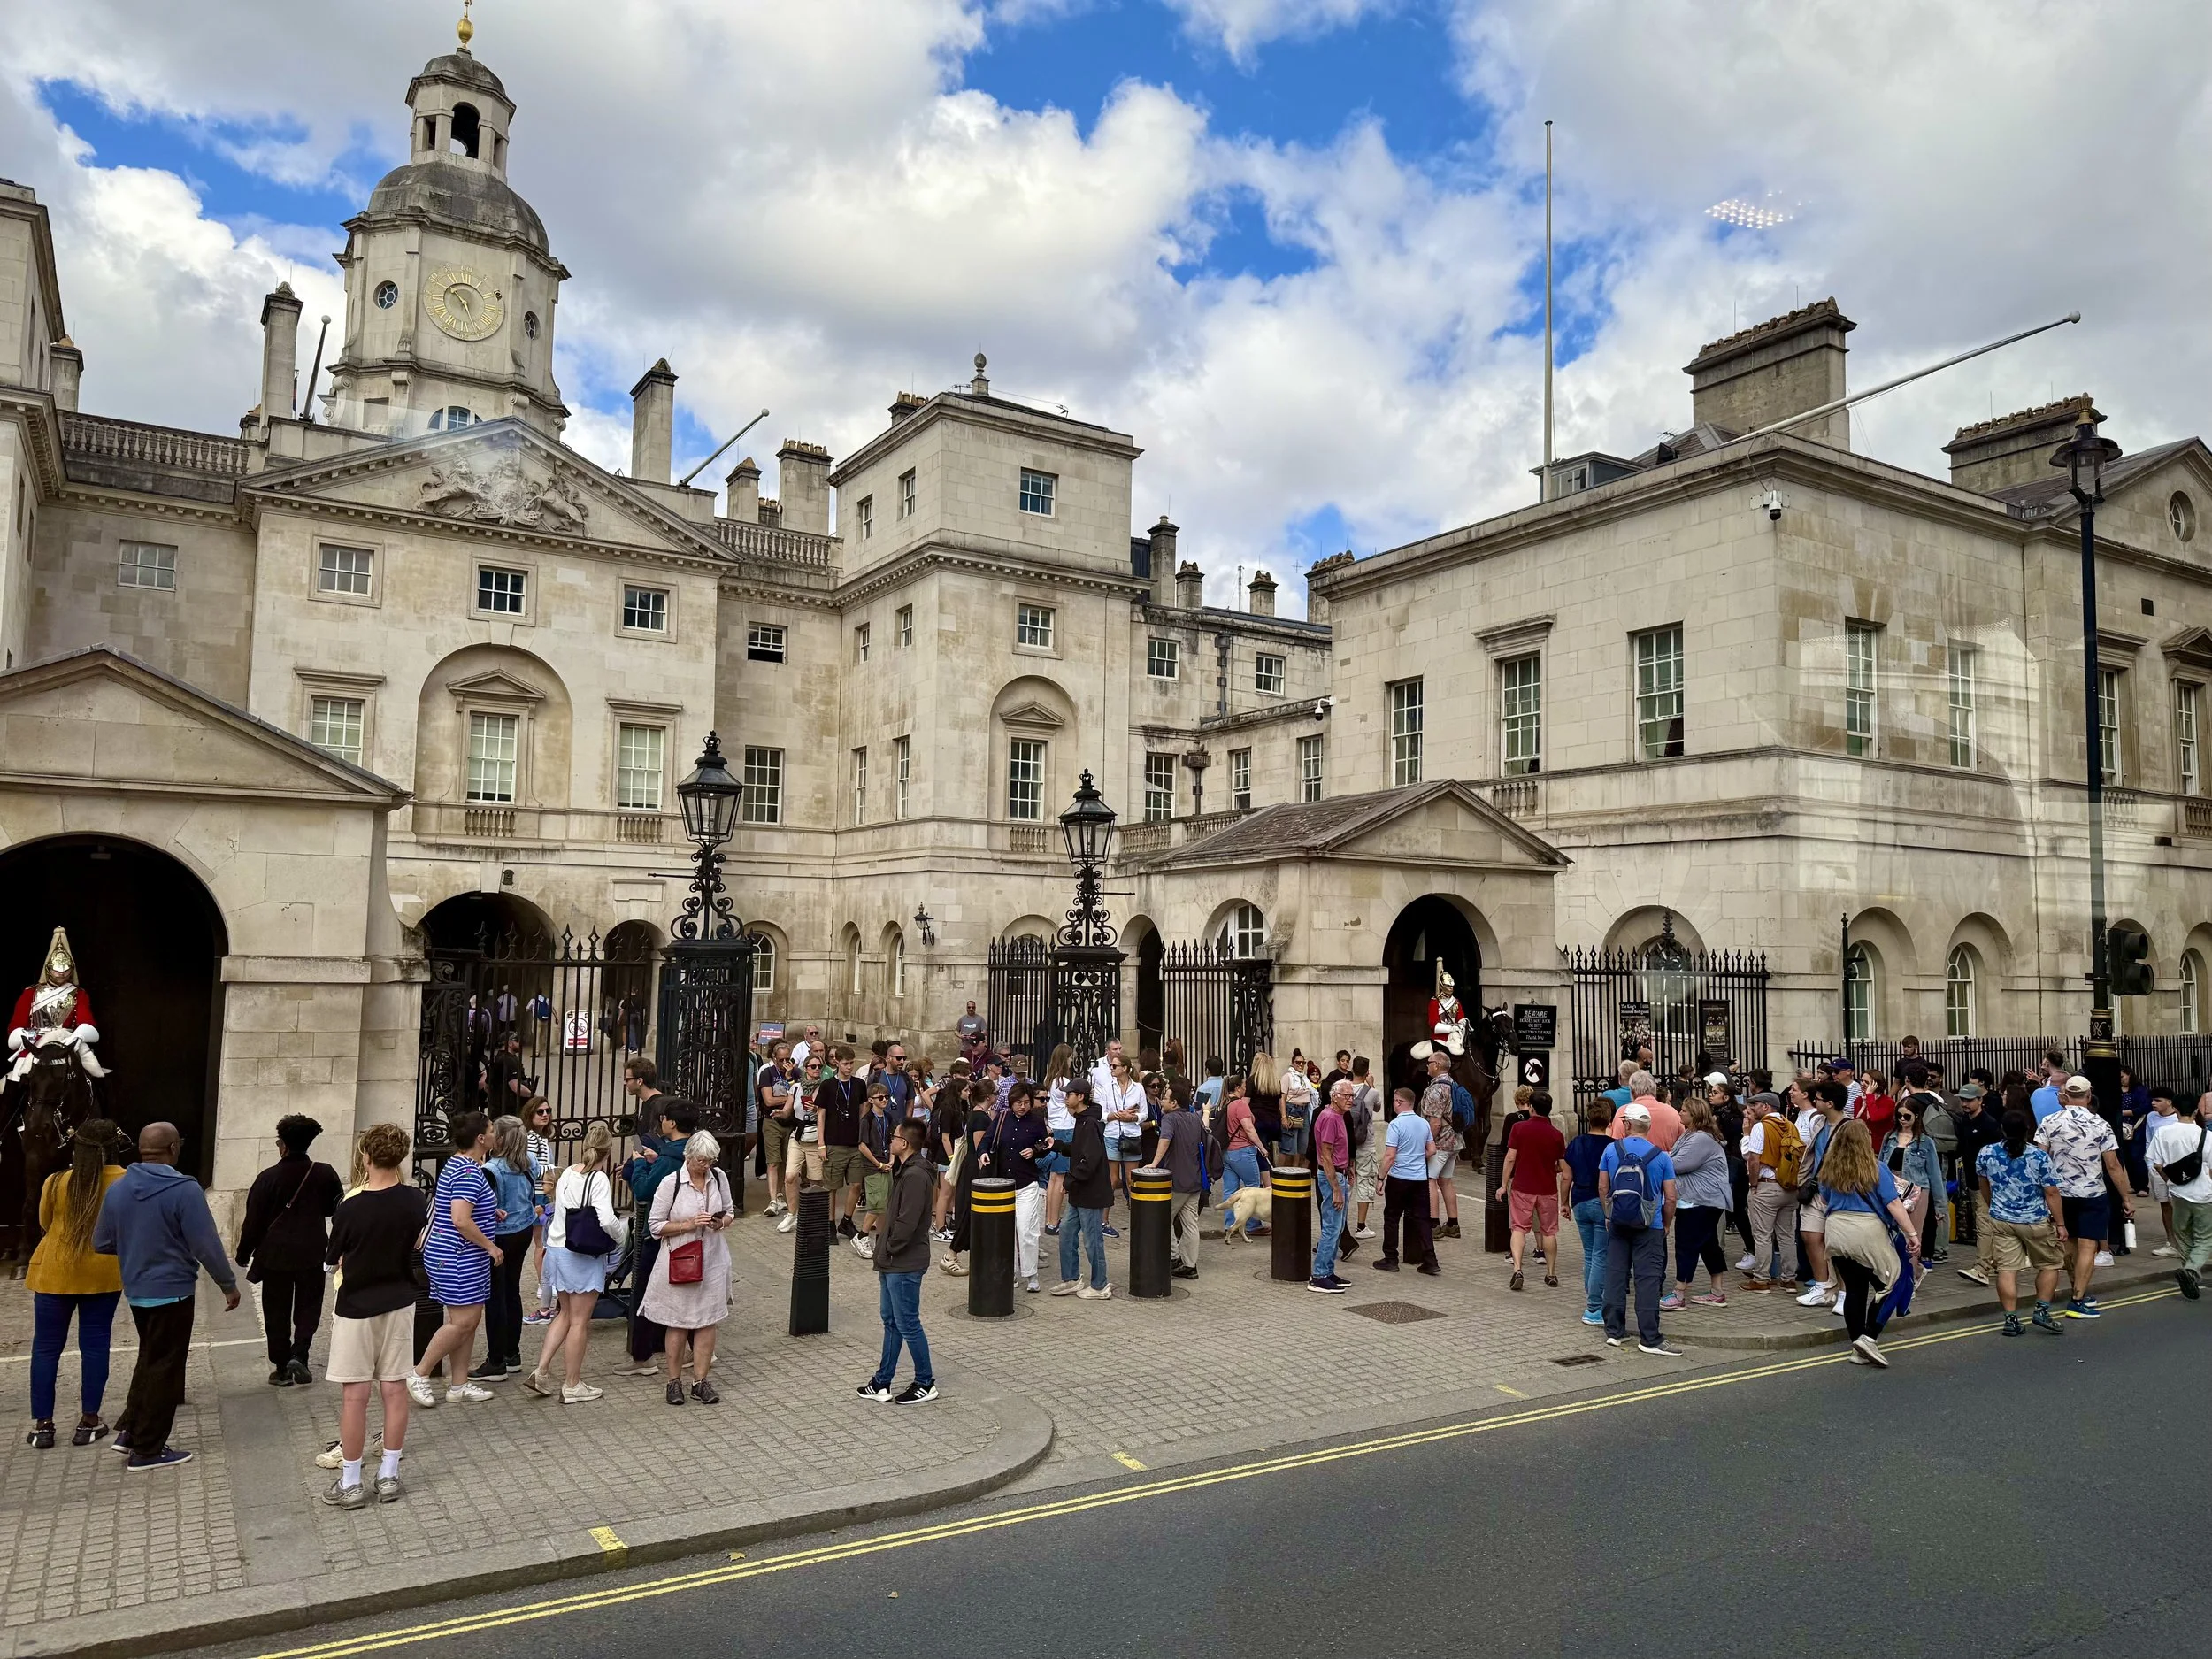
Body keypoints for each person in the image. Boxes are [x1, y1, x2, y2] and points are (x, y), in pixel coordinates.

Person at [93, 1122, 241, 1470]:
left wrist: (136, 1248)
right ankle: (148, 1449)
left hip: (138, 1291)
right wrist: (228, 1284)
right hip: (173, 1291)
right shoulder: (184, 1190)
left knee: (150, 1357)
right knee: (165, 1368)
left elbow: (101, 1242)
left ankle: (131, 1430)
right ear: (174, 1148)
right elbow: (205, 1244)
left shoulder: (118, 1189)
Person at [321, 1122, 427, 1508]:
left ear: (366, 1157)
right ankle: (389, 1474)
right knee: (395, 1388)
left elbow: (333, 1259)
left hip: (357, 1305)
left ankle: (351, 1480)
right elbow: (418, 1243)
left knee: (355, 1395)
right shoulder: (416, 1200)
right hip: (399, 1300)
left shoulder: (350, 1206)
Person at [24, 1118, 126, 1449]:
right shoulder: (125, 1181)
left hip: (53, 1272)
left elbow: (43, 1222)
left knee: (45, 1349)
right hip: (103, 1273)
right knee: (95, 1346)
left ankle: (43, 1426)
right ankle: (89, 1422)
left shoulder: (55, 1182)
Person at [234, 1113, 342, 1386]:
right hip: (313, 1250)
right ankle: (300, 1354)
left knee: (276, 1310)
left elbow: (254, 1221)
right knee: (309, 1305)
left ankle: (281, 1367)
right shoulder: (325, 1172)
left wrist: (243, 1253)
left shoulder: (267, 1178)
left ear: (281, 1144)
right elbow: (335, 1209)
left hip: (275, 1255)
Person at [408, 1112, 503, 1408]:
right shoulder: (468, 1172)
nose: (495, 1134)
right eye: (491, 1130)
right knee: (464, 1322)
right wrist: (490, 1246)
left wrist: (490, 1214)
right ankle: (419, 1373)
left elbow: (463, 1209)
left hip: (458, 1255)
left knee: (466, 1321)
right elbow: (460, 1219)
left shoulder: (461, 1165)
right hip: (458, 1256)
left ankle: (459, 1383)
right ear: (480, 1139)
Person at [529, 1121, 627, 1402]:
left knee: (565, 1314)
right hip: (581, 1255)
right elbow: (607, 1219)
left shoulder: (568, 1174)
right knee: (580, 1322)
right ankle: (572, 1384)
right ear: (607, 1153)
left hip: (557, 1250)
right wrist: (622, 1236)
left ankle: (542, 1370)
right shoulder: (598, 1180)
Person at [641, 1131, 734, 1405]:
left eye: (711, 1161)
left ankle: (700, 1381)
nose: (706, 1166)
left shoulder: (718, 1178)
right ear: (689, 1157)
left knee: (708, 1321)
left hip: (712, 1259)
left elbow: (730, 1211)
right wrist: (689, 1224)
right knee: (679, 1323)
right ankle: (673, 1382)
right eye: (702, 1161)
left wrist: (719, 1222)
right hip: (680, 1260)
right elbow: (655, 1225)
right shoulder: (671, 1183)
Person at [1819, 1118, 1918, 1367]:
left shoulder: (1828, 1170)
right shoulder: (1876, 1168)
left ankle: (1858, 1345)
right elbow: (1893, 1204)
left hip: (1836, 1229)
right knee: (1894, 1282)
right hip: (1866, 1229)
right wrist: (1912, 1234)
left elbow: (1823, 1200)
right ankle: (1869, 1337)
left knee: (1854, 1289)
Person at [2035, 1076, 2131, 1319]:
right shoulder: (2101, 1124)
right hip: (2091, 1193)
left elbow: (2040, 1160)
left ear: (2065, 1096)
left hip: (2060, 1194)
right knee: (2088, 1245)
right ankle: (2078, 1299)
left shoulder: (2049, 1121)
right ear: (2089, 1096)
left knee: (2067, 1243)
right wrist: (2126, 1197)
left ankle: (2076, 1291)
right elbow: (2112, 1165)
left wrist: (2041, 1192)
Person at [859, 1122, 939, 1403]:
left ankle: (925, 1381)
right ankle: (882, 1381)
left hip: (904, 1262)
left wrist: (890, 1247)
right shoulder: (905, 1169)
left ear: (904, 1143)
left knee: (907, 1323)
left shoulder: (916, 1175)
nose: (889, 1140)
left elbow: (907, 1220)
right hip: (892, 1260)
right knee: (891, 1321)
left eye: (894, 1136)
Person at [1978, 1109, 2069, 1336]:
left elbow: (1984, 1185)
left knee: (2007, 1270)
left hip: (2001, 1220)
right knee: (2050, 1263)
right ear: (2028, 1131)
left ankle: (2011, 1319)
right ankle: (2041, 1310)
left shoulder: (1987, 1152)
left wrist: (1994, 1206)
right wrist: (2060, 1224)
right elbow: (2052, 1192)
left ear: (2002, 1129)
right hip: (2034, 1220)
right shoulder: (2038, 1157)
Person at [1596, 1104, 1678, 1356]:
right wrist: (1666, 1223)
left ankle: (1614, 1331)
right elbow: (1671, 1197)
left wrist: (1609, 1214)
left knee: (1615, 1275)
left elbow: (1602, 1187)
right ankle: (1650, 1338)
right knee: (1648, 1280)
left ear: (1628, 1125)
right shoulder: (1662, 1156)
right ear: (1648, 1126)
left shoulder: (1611, 1150)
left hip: (1619, 1221)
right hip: (1649, 1224)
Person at [1660, 1096, 1732, 1310]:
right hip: (1702, 1200)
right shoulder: (1693, 1135)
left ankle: (1679, 1294)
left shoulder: (1701, 1138)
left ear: (1695, 1115)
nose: (1679, 1112)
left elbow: (1678, 1163)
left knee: (1686, 1244)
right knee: (1709, 1245)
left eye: (1683, 1110)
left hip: (1699, 1200)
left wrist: (1655, 1157)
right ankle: (1717, 1292)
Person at [1501, 1087, 1566, 1293]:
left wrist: (1503, 1185)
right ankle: (1551, 1273)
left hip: (1523, 1186)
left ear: (1531, 1107)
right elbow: (1561, 1166)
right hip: (1547, 1188)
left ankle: (1518, 1268)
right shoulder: (1556, 1135)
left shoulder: (1519, 1129)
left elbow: (1510, 1157)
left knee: (1519, 1228)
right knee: (1548, 1231)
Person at [988, 1080, 1051, 1293]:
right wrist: (983, 1154)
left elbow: (1045, 1145)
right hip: (1003, 1185)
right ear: (1011, 1103)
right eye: (1018, 1103)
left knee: (1026, 1230)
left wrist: (1034, 1150)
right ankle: (1011, 1272)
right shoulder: (1001, 1118)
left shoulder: (1036, 1120)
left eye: (1026, 1102)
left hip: (1027, 1183)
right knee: (1006, 1232)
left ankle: (1031, 1274)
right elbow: (986, 1142)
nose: (1022, 1106)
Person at [1052, 1081, 1112, 1299]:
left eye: (1068, 1095)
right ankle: (1071, 1279)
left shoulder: (1089, 1124)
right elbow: (1080, 1151)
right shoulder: (1083, 1121)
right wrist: (1057, 1145)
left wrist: (1069, 1180)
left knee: (1092, 1240)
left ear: (1080, 1097)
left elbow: (1091, 1159)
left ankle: (1100, 1285)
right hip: (1080, 1192)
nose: (1065, 1098)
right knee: (1067, 1233)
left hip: (1091, 1192)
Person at [1795, 1082, 1852, 1309]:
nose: (1814, 1101)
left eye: (1818, 1099)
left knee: (1838, 1246)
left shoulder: (1851, 1127)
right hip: (1816, 1189)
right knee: (1809, 1236)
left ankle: (1845, 1294)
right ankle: (1822, 1286)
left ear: (1830, 1103)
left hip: (1839, 1193)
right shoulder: (1817, 1121)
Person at [2150, 1092, 2212, 1297]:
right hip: (2204, 1194)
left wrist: (2169, 1180)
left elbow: (2156, 1164)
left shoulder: (2163, 1133)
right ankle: (2192, 1269)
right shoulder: (2206, 1135)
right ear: (2196, 1111)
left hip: (2178, 1193)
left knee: (2183, 1236)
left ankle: (2189, 1275)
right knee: (2205, 1238)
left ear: (2175, 1108)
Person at [1738, 1093, 1801, 1291]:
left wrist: (1754, 1184)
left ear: (1766, 1107)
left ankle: (1761, 1278)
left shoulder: (1761, 1127)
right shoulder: (1790, 1124)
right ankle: (1789, 1279)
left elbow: (1754, 1159)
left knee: (1763, 1234)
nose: (1752, 1109)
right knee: (1787, 1235)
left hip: (1766, 1185)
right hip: (1789, 1186)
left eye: (1755, 1105)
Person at [1374, 1087, 1439, 1275]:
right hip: (1419, 1179)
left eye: (1395, 1100)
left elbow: (1389, 1156)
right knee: (1422, 1219)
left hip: (1399, 1178)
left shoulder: (1396, 1125)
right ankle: (1430, 1259)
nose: (1393, 1103)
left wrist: (1380, 1178)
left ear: (1400, 1103)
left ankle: (1391, 1258)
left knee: (1392, 1217)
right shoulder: (1423, 1123)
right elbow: (1432, 1150)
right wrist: (1418, 1157)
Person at [1147, 1077, 1205, 1282]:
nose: (1162, 1100)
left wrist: (1154, 1163)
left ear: (1175, 1103)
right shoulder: (1194, 1118)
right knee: (1191, 1224)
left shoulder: (1169, 1119)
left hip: (1177, 1180)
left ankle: (1172, 1258)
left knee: (1163, 1218)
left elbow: (1165, 1140)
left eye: (1166, 1098)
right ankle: (1190, 1266)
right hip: (1195, 1179)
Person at [1563, 1100, 1614, 1327]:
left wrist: (1563, 1202)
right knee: (1600, 1255)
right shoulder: (1613, 1146)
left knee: (1589, 1254)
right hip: (1601, 1201)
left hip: (1580, 1200)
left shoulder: (1576, 1143)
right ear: (1609, 1120)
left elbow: (1566, 1176)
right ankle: (1594, 1307)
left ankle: (1591, 1298)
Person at [1878, 1101, 1944, 1271]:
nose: (1902, 1120)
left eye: (1907, 1116)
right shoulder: (1889, 1137)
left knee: (1913, 1233)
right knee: (1889, 1232)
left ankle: (1911, 1276)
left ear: (1916, 1116)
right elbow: (1880, 1165)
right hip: (1892, 1187)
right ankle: (1895, 1274)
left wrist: (1940, 1206)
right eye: (1899, 1115)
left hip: (1917, 1190)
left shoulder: (1926, 1142)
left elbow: (1935, 1174)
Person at [1952, 1082, 2007, 1285]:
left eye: (1969, 1100)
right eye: (1962, 1100)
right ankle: (1994, 1262)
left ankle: (1982, 1267)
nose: (1965, 1104)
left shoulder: (1990, 1124)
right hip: (1974, 1181)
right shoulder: (1964, 1122)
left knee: (1983, 1224)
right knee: (1986, 1223)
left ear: (1980, 1100)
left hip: (1988, 1183)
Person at [1307, 1079, 1353, 1294]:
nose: (1350, 1100)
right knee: (1332, 1227)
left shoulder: (1338, 1116)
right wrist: (1336, 1188)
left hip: (1340, 1174)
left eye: (1352, 1096)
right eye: (1346, 1096)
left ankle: (1327, 1269)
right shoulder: (1329, 1118)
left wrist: (1348, 1168)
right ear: (1334, 1096)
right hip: (1331, 1177)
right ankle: (1319, 1275)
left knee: (1338, 1226)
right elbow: (1325, 1156)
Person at [776, 1052, 826, 1235]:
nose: (816, 1070)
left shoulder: (825, 1088)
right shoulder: (796, 1088)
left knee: (815, 1181)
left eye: (819, 1067)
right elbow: (788, 1110)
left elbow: (827, 1113)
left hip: (815, 1137)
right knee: (790, 1176)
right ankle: (792, 1214)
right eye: (813, 1066)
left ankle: (814, 1217)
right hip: (798, 1136)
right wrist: (779, 1113)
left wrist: (817, 1108)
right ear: (805, 1069)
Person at [1217, 1073, 1270, 1240]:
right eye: (1244, 1086)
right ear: (1238, 1088)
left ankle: (1230, 1224)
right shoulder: (1240, 1104)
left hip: (1227, 1152)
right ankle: (1253, 1224)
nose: (1246, 1088)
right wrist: (1261, 1147)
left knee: (1230, 1189)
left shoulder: (1224, 1103)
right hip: (1243, 1151)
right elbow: (1248, 1128)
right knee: (1253, 1188)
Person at [1418, 1050, 1464, 1239]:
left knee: (1430, 1180)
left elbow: (1435, 1122)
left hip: (1440, 1142)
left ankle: (1433, 1224)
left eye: (1429, 1062)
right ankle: (1453, 1224)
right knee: (1446, 1181)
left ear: (1436, 1065)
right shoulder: (1454, 1084)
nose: (1427, 1066)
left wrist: (1426, 1143)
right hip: (1455, 1140)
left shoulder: (1436, 1089)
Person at [1100, 1049, 1148, 1217]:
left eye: (1115, 1066)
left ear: (1125, 1068)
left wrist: (1133, 1117)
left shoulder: (1138, 1088)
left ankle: (1137, 1217)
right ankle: (1104, 1219)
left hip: (1131, 1135)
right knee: (1112, 1180)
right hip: (1112, 1135)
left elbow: (1145, 1113)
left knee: (1131, 1179)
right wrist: (1116, 1116)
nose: (1112, 1068)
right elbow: (1101, 1113)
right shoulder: (1107, 1087)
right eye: (1111, 1065)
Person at [2141, 1087, 2186, 1258]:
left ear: (2170, 1103)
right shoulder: (2151, 1117)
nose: (2154, 1103)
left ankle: (2184, 1242)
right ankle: (2171, 1242)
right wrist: (2150, 1165)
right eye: (2153, 1100)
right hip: (2157, 1168)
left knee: (2180, 1205)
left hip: (2176, 1168)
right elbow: (2148, 1141)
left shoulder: (2180, 1118)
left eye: (2158, 1100)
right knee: (2165, 1205)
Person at [853, 1081, 895, 1260]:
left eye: (886, 1097)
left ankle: (881, 1240)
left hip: (887, 1163)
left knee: (885, 1205)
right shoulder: (867, 1120)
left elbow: (892, 1139)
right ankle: (861, 1236)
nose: (884, 1100)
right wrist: (878, 1164)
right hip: (873, 1167)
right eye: (880, 1098)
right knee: (877, 1204)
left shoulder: (889, 1118)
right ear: (871, 1100)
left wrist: (892, 1160)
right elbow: (862, 1146)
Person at [756, 1040, 795, 1219]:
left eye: (789, 1059)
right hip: (771, 1120)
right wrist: (788, 1098)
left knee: (785, 1161)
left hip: (789, 1122)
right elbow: (769, 1101)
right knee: (773, 1161)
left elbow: (800, 1095)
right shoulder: (767, 1073)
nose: (786, 1063)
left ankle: (780, 1194)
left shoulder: (795, 1073)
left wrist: (789, 1079)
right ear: (774, 1058)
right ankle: (772, 1199)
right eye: (781, 1060)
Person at [1608, 1071, 1683, 1151]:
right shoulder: (1672, 1113)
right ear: (1654, 1089)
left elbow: (1617, 1145)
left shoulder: (1623, 1112)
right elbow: (1682, 1144)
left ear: (1632, 1091)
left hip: (1632, 1161)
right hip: (1664, 1161)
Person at [1246, 1050, 1284, 1163]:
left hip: (1258, 1120)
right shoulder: (1276, 1082)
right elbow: (1280, 1102)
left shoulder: (1252, 1081)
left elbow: (1245, 1103)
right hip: (1274, 1121)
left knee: (1259, 1151)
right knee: (1266, 1146)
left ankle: (1264, 1175)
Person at [2028, 1051, 2068, 1122]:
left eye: (2044, 1063)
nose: (2042, 1067)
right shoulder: (2067, 1078)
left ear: (2048, 1063)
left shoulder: (2049, 1084)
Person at [956, 1001, 988, 1065]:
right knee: (963, 1066)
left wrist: (974, 1037)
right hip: (965, 1048)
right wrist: (960, 1036)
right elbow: (956, 1031)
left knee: (975, 1065)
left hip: (976, 1049)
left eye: (972, 1007)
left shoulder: (980, 1019)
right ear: (966, 1008)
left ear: (975, 1008)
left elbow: (984, 1032)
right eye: (969, 1007)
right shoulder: (962, 1019)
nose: (971, 1009)